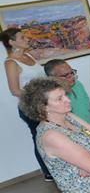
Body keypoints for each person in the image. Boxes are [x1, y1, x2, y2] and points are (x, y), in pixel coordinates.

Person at [2, 27, 52, 180]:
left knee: (52, 136)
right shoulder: (11, 63)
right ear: (11, 42)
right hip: (31, 107)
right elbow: (15, 90)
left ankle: (57, 168)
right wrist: (37, 98)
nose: (27, 39)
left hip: (46, 104)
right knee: (40, 138)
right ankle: (48, 172)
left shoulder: (29, 55)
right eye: (22, 38)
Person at [45, 59, 90, 124]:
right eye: (65, 75)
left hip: (89, 129)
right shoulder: (52, 95)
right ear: (52, 78)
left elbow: (86, 108)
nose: (71, 77)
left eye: (72, 72)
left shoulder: (78, 84)